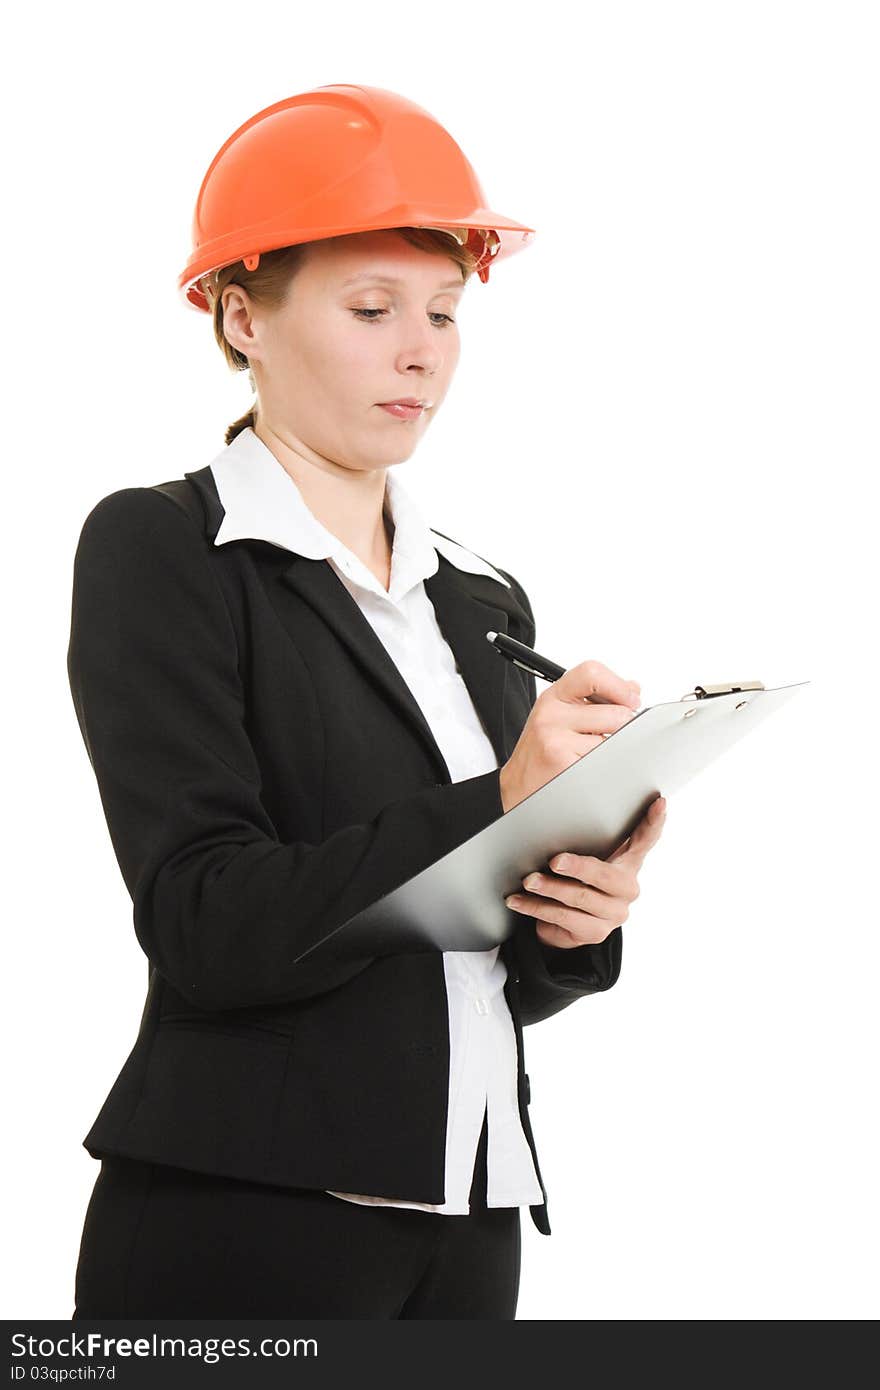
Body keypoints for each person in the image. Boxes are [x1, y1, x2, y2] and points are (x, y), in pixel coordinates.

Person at [67, 83, 666, 1320]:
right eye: (371, 307)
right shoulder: (164, 548)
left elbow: (469, 959)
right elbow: (204, 919)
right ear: (242, 317)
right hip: (246, 1219)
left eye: (444, 311)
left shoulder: (482, 597)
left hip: (472, 1218)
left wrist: (574, 916)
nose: (422, 349)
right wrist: (498, 801)